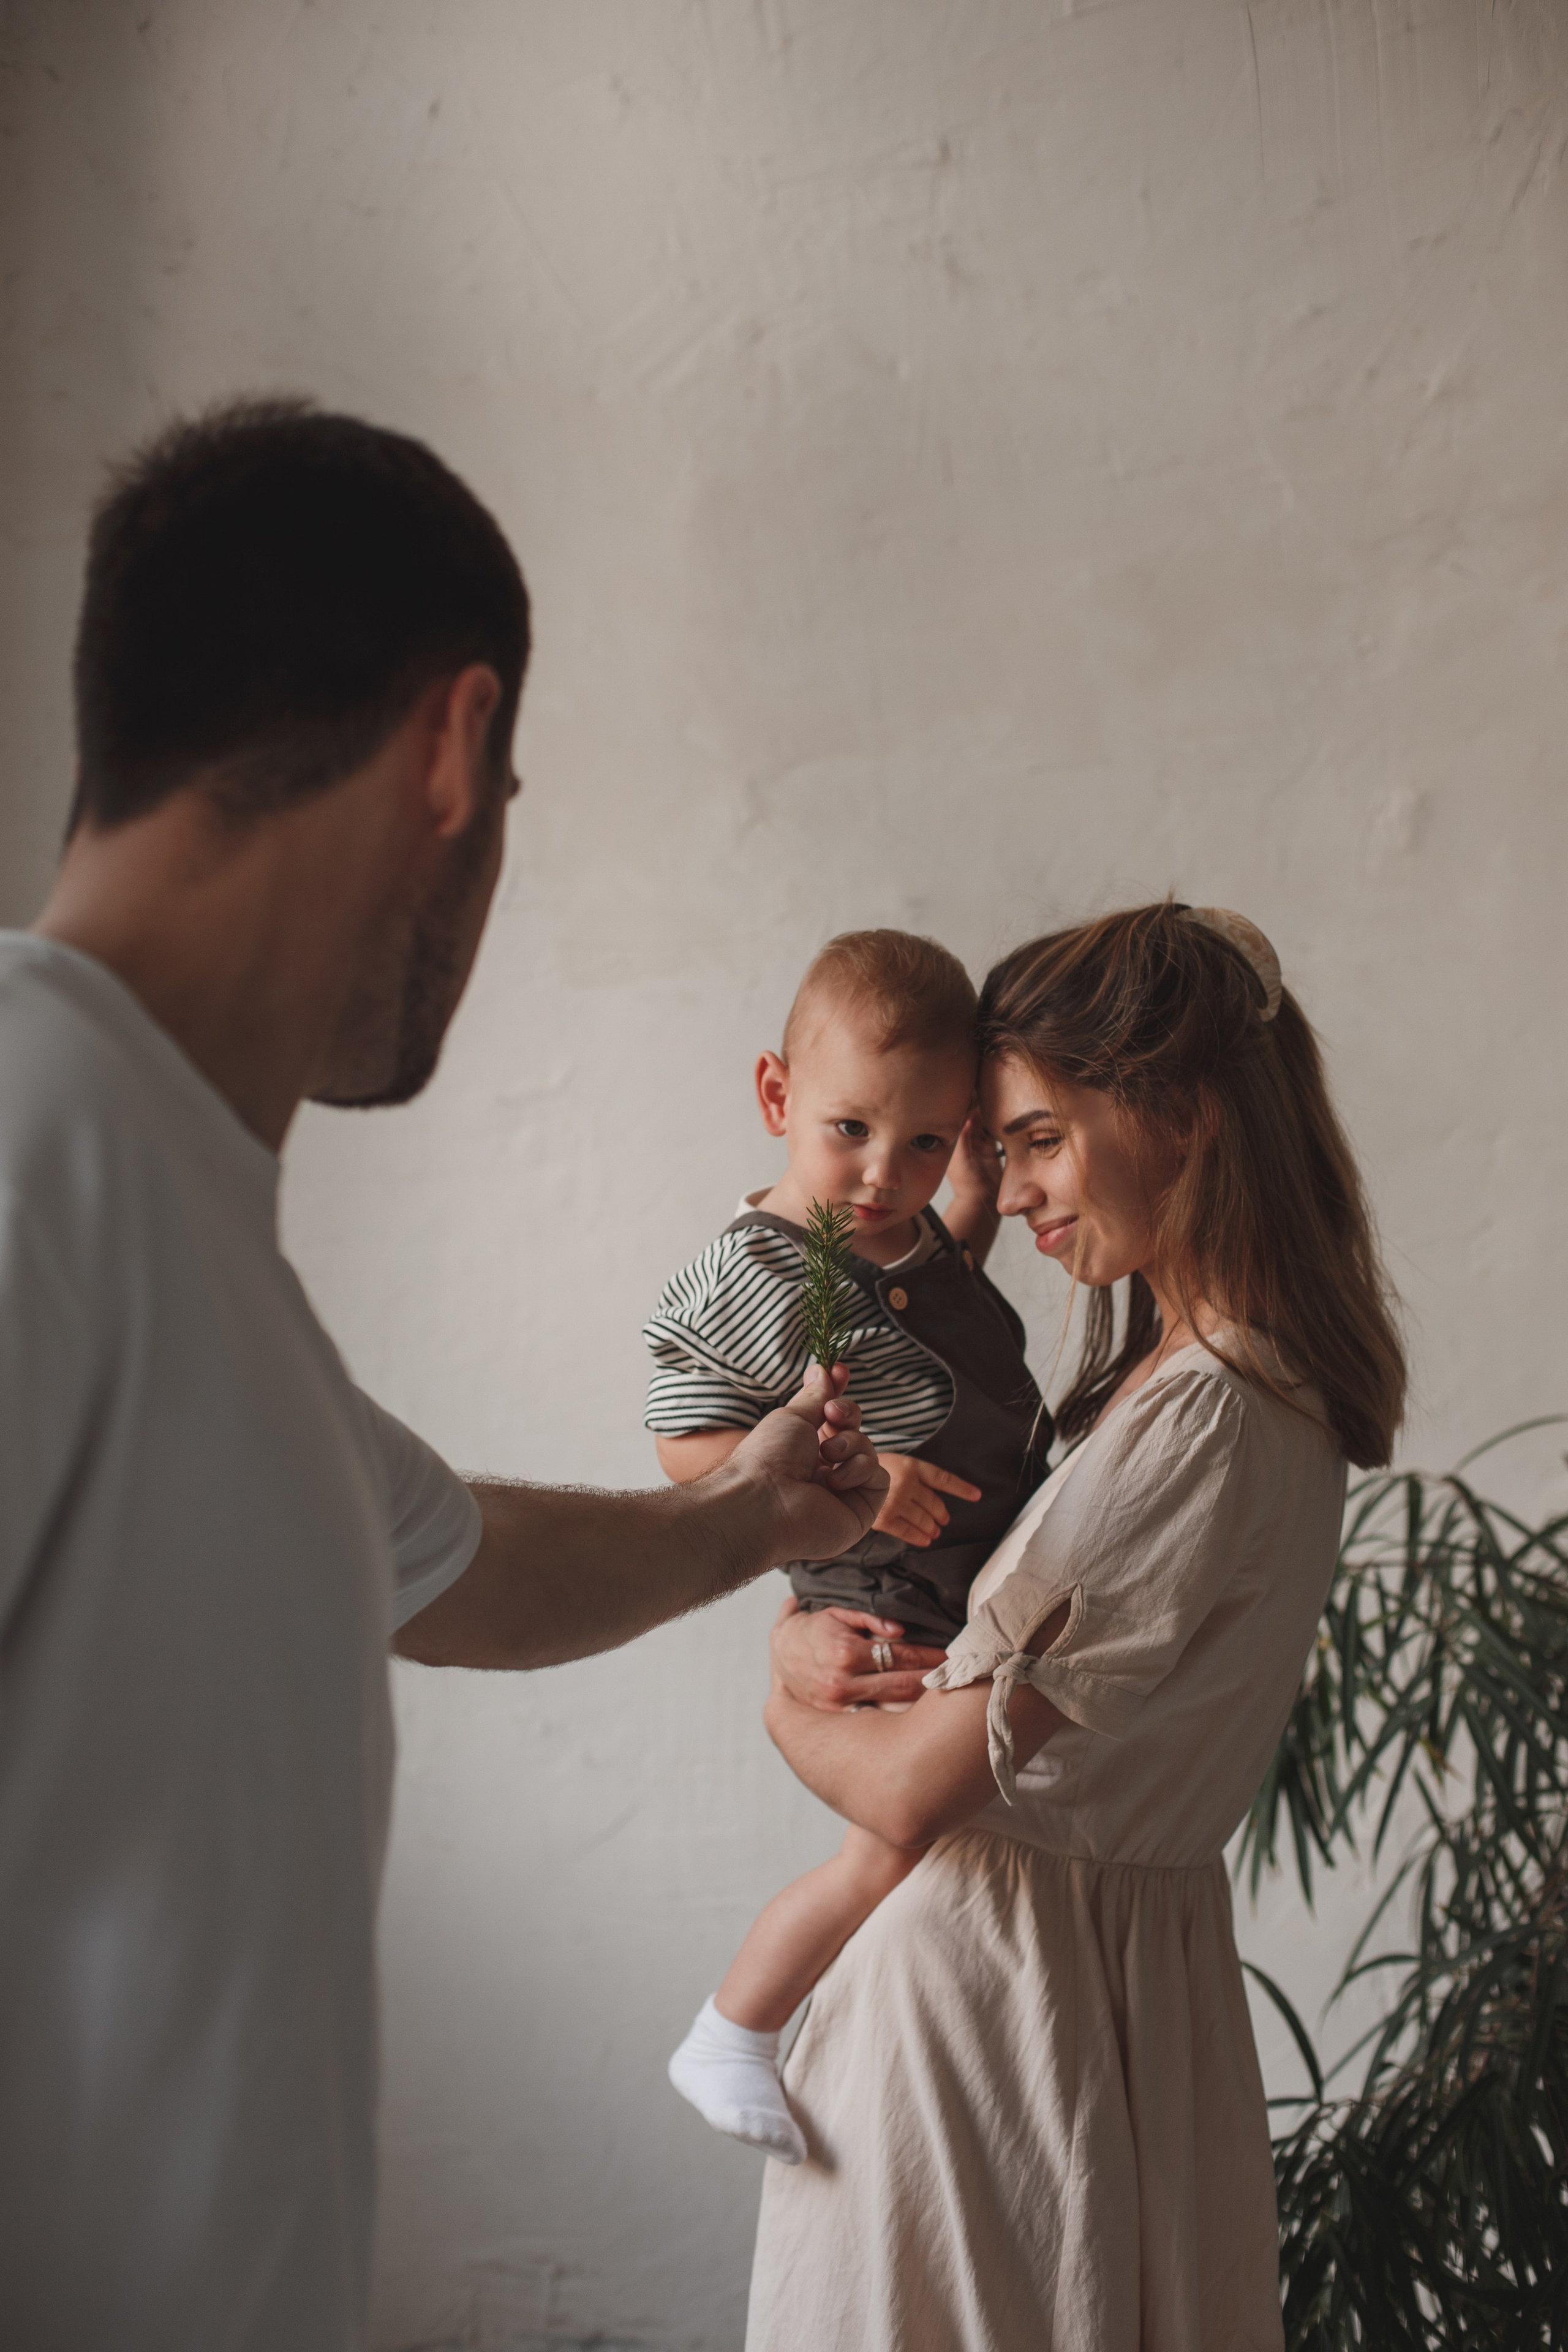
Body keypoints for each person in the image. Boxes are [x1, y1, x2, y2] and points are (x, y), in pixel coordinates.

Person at [0, 398, 885, 2351]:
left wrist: (754, 1518)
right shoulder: (35, 1135)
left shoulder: (186, 1248)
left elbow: (456, 1562)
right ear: (453, 749)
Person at [747, 903, 1408, 2352]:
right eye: (996, 1150)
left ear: (1183, 1109)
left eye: (1037, 1138)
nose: (1010, 1193)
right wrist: (817, 1640)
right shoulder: (1217, 1390)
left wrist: (781, 1698)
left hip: (998, 2012)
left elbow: (914, 1787)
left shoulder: (1202, 1417)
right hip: (1084, 2002)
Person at [649, 930, 1051, 2162]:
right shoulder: (757, 1269)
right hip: (882, 1579)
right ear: (776, 1097)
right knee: (893, 1845)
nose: (884, 1174)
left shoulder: (904, 1232)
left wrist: (969, 1195)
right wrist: (856, 1493)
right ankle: (734, 2027)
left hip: (959, 1566)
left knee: (951, 1853)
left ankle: (860, 2047)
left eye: (924, 1142)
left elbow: (942, 1293)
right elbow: (684, 1447)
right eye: (850, 1131)